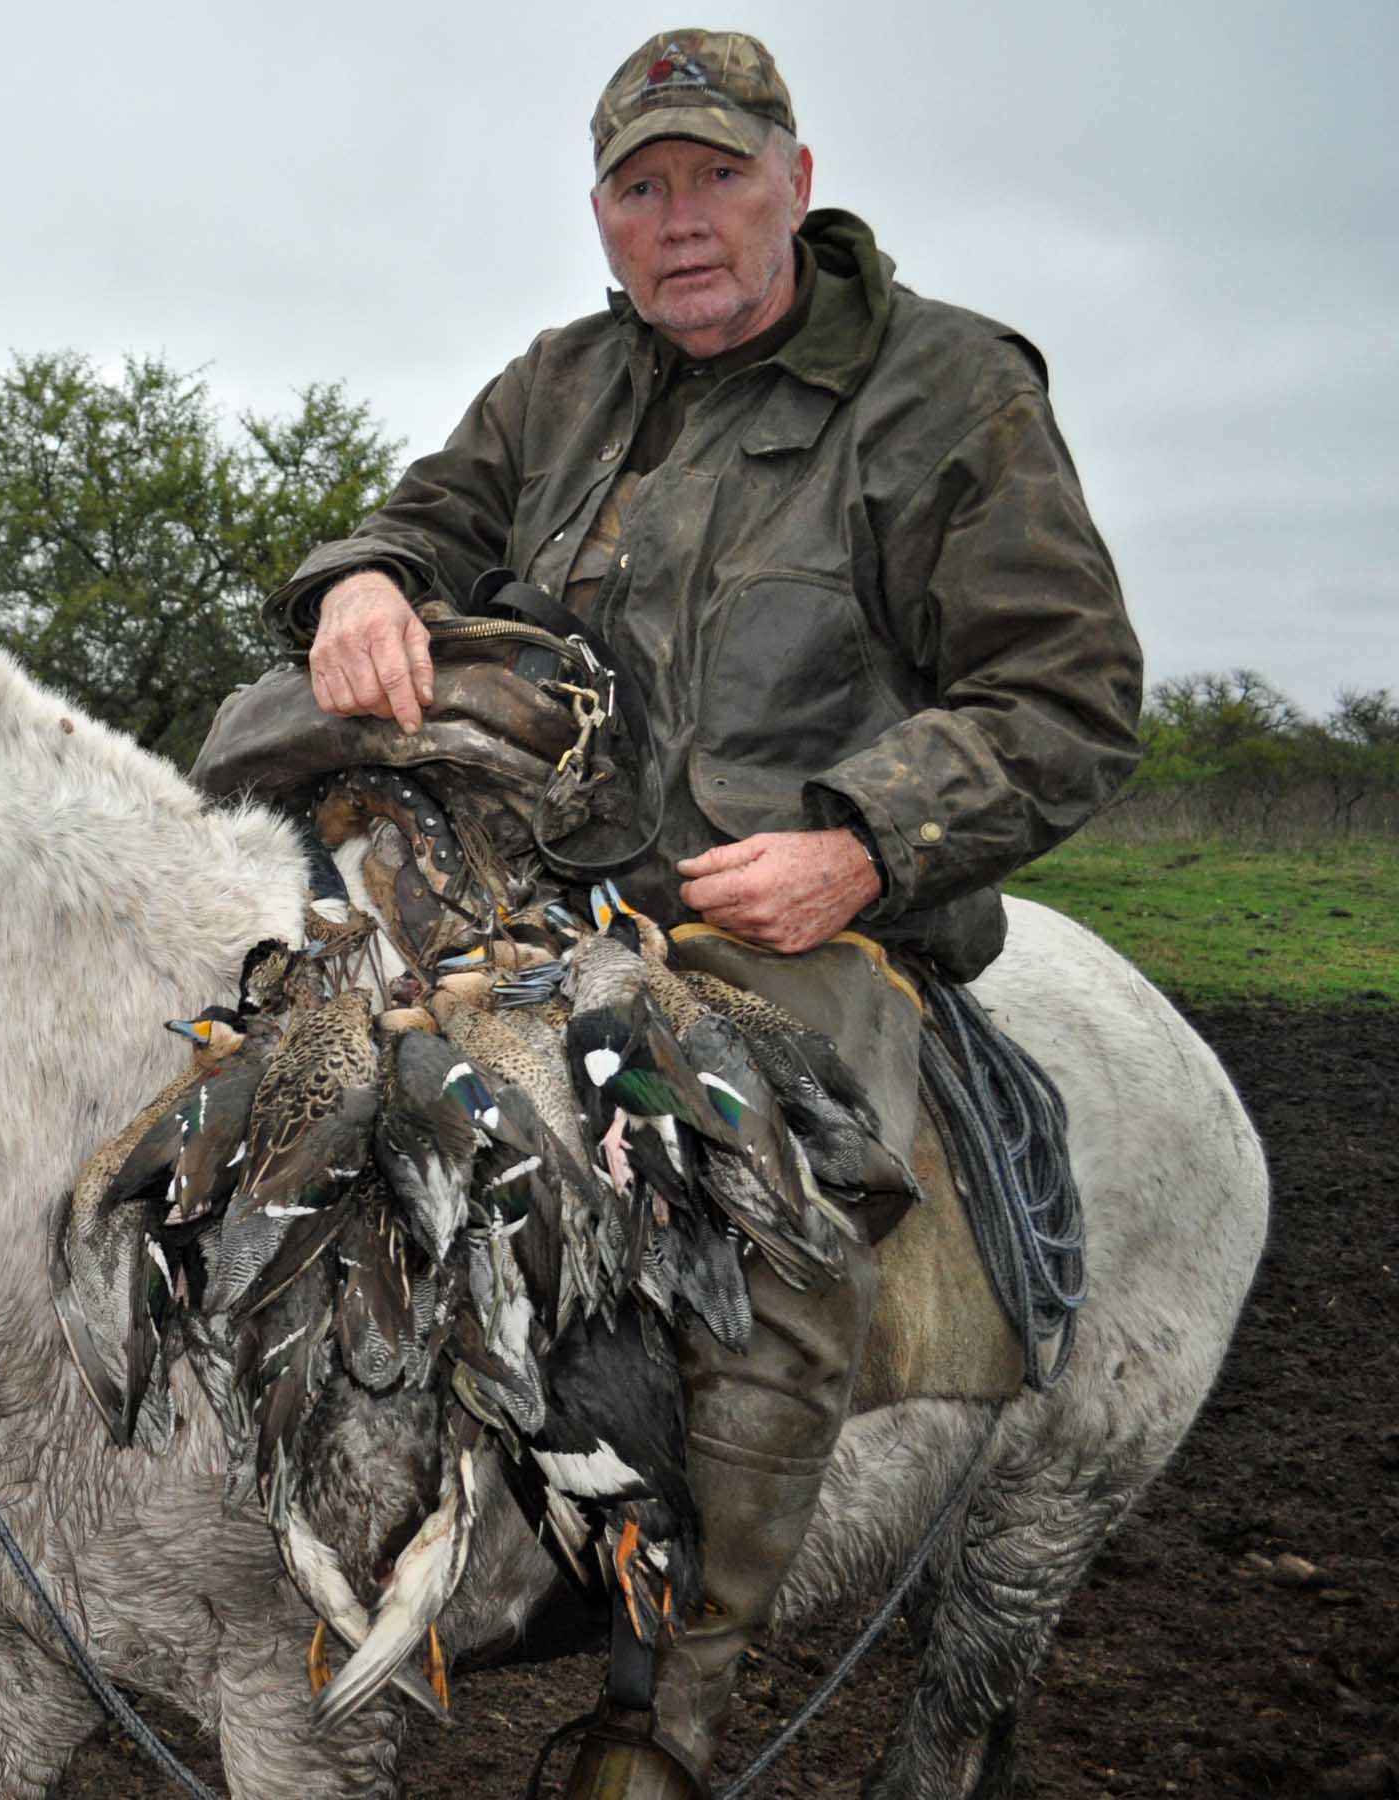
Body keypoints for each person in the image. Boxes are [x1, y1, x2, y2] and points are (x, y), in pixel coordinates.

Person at [263, 28, 1142, 1796]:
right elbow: (423, 516)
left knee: (775, 1217)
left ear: (796, 185)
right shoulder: (561, 380)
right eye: (639, 188)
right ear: (601, 214)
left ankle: (658, 1720)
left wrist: (867, 842)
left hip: (797, 925)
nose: (680, 222)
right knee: (283, 1065)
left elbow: (1068, 694)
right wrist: (364, 577)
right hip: (532, 880)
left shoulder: (949, 392)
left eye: (717, 178)